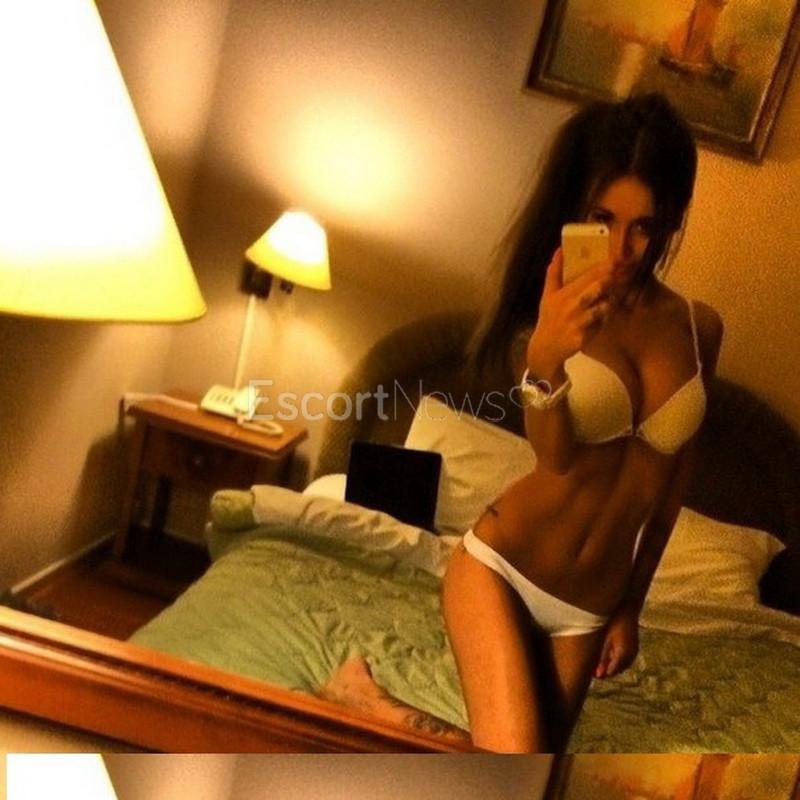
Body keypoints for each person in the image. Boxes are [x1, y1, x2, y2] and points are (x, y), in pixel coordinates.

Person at [442, 92, 724, 752]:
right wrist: (546, 357)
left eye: (644, 226)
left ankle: (370, 701)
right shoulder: (546, 313)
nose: (624, 249)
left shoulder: (697, 328)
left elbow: (673, 481)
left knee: (534, 773)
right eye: (604, 220)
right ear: (576, 213)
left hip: (589, 608)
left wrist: (632, 605)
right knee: (515, 761)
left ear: (669, 220)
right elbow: (557, 458)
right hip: (501, 567)